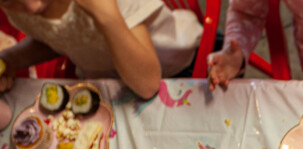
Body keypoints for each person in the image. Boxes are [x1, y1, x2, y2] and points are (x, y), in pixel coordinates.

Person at [0, 0, 203, 98]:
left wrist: (106, 16)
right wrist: (12, 58)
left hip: (174, 66)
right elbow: (59, 37)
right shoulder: (25, 7)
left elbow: (147, 84)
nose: (33, 7)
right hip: (109, 84)